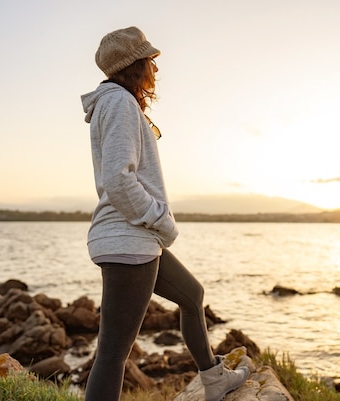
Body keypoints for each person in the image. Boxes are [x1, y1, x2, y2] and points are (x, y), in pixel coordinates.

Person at [80, 26, 250, 401]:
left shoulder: (114, 103)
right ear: (136, 65)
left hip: (134, 237)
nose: (155, 70)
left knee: (192, 295)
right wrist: (160, 218)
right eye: (150, 61)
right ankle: (213, 377)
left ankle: (213, 378)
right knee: (112, 355)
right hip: (130, 239)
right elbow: (118, 179)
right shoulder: (120, 104)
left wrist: (155, 226)